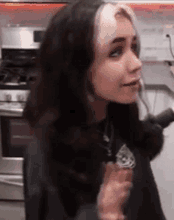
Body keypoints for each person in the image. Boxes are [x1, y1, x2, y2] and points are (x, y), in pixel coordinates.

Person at [22, 0, 170, 219]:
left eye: (134, 47)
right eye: (116, 52)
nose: (136, 63)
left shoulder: (119, 122)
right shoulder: (45, 156)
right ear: (76, 67)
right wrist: (105, 214)